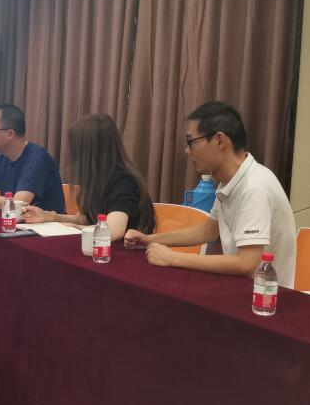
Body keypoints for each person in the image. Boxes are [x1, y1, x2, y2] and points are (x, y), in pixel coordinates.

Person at [123, 101, 296, 287]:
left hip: (267, 297)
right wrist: (150, 240)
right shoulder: (230, 180)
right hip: (241, 288)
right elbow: (208, 230)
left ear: (220, 141)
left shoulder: (254, 187)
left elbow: (246, 264)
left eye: (192, 142)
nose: (187, 151)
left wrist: (173, 258)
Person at [20, 114, 155, 240]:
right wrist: (49, 216)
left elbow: (113, 231)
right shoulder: (97, 178)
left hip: (124, 253)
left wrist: (76, 228)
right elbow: (85, 218)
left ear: (87, 151)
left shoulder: (124, 181)